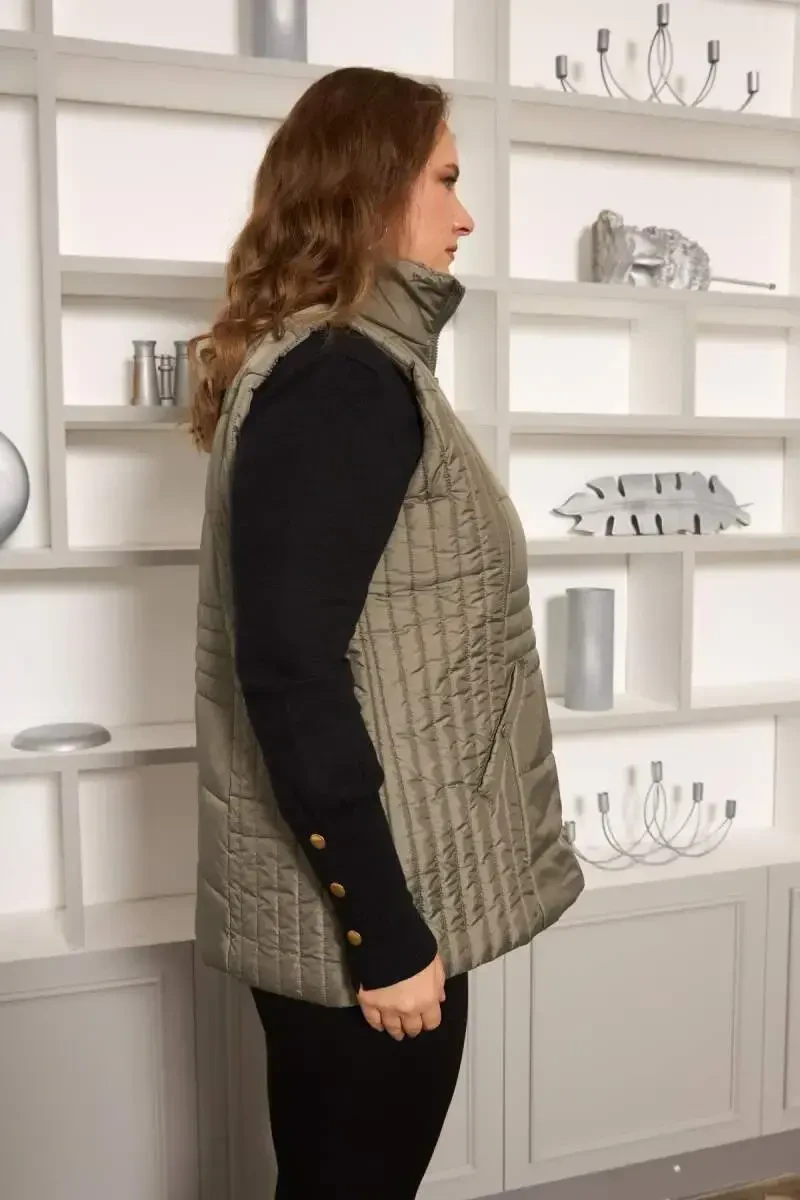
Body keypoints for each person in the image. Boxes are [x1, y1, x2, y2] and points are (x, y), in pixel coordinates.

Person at [189, 64, 584, 1200]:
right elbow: (290, 674)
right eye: (446, 180)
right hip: (374, 916)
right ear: (370, 189)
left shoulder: (355, 367)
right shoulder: (341, 380)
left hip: (389, 891)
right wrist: (385, 934)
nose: (466, 216)